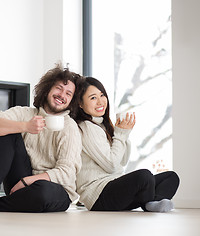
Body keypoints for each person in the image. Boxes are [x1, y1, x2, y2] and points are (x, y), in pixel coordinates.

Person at [0, 64, 83, 213]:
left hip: (53, 189)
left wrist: (28, 181)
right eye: (59, 88)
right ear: (48, 88)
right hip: (19, 182)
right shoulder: (25, 113)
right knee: (8, 130)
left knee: (43, 191)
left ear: (71, 101)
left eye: (68, 94)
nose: (62, 95)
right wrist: (25, 126)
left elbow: (67, 173)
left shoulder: (69, 127)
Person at [73, 77, 180, 212]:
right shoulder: (86, 127)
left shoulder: (102, 125)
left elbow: (121, 162)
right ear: (80, 104)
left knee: (171, 177)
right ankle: (151, 201)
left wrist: (124, 134)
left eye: (102, 95)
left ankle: (151, 202)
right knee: (144, 177)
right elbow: (111, 165)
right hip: (99, 196)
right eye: (93, 98)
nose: (100, 101)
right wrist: (121, 134)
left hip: (115, 189)